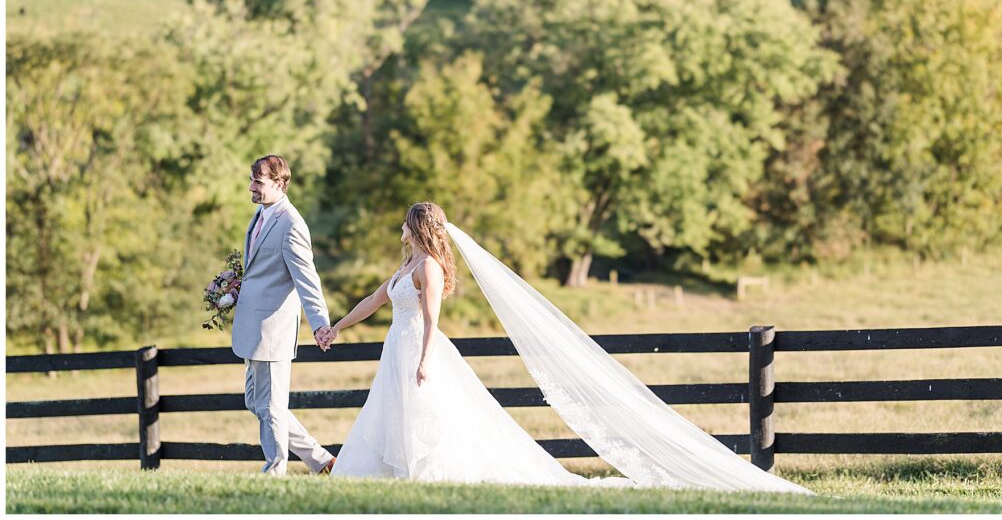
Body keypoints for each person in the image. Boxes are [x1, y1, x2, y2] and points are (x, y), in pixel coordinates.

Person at [324, 202, 814, 494]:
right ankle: (396, 473)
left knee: (428, 414)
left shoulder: (428, 268)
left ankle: (423, 473)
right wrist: (339, 326)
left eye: (407, 225)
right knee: (392, 411)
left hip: (418, 349)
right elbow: (374, 300)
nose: (402, 230)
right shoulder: (405, 267)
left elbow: (434, 318)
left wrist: (427, 358)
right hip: (396, 347)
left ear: (419, 227)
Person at [231, 154, 337, 476]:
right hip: (254, 328)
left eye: (258, 183)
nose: (251, 188)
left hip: (273, 330)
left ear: (280, 183)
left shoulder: (292, 224)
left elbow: (307, 279)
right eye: (252, 180)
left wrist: (320, 324)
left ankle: (275, 472)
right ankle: (320, 460)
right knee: (257, 404)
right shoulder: (261, 215)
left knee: (272, 407)